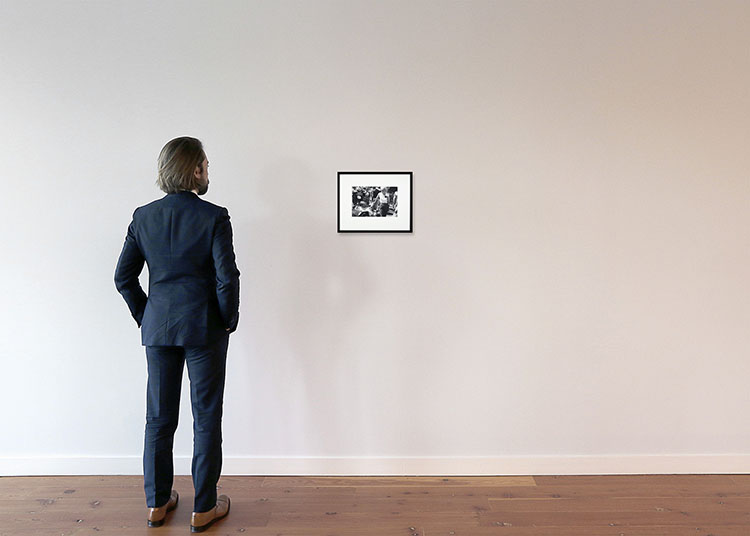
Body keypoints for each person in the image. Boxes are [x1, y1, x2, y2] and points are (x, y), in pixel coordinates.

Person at [114, 136, 240, 532]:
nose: (208, 170)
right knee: (205, 418)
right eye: (206, 164)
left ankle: (157, 503)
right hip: (204, 328)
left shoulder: (143, 215)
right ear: (195, 168)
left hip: (159, 327)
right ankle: (203, 507)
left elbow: (123, 277)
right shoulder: (214, 216)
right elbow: (226, 277)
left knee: (158, 418)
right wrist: (227, 320)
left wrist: (146, 315)